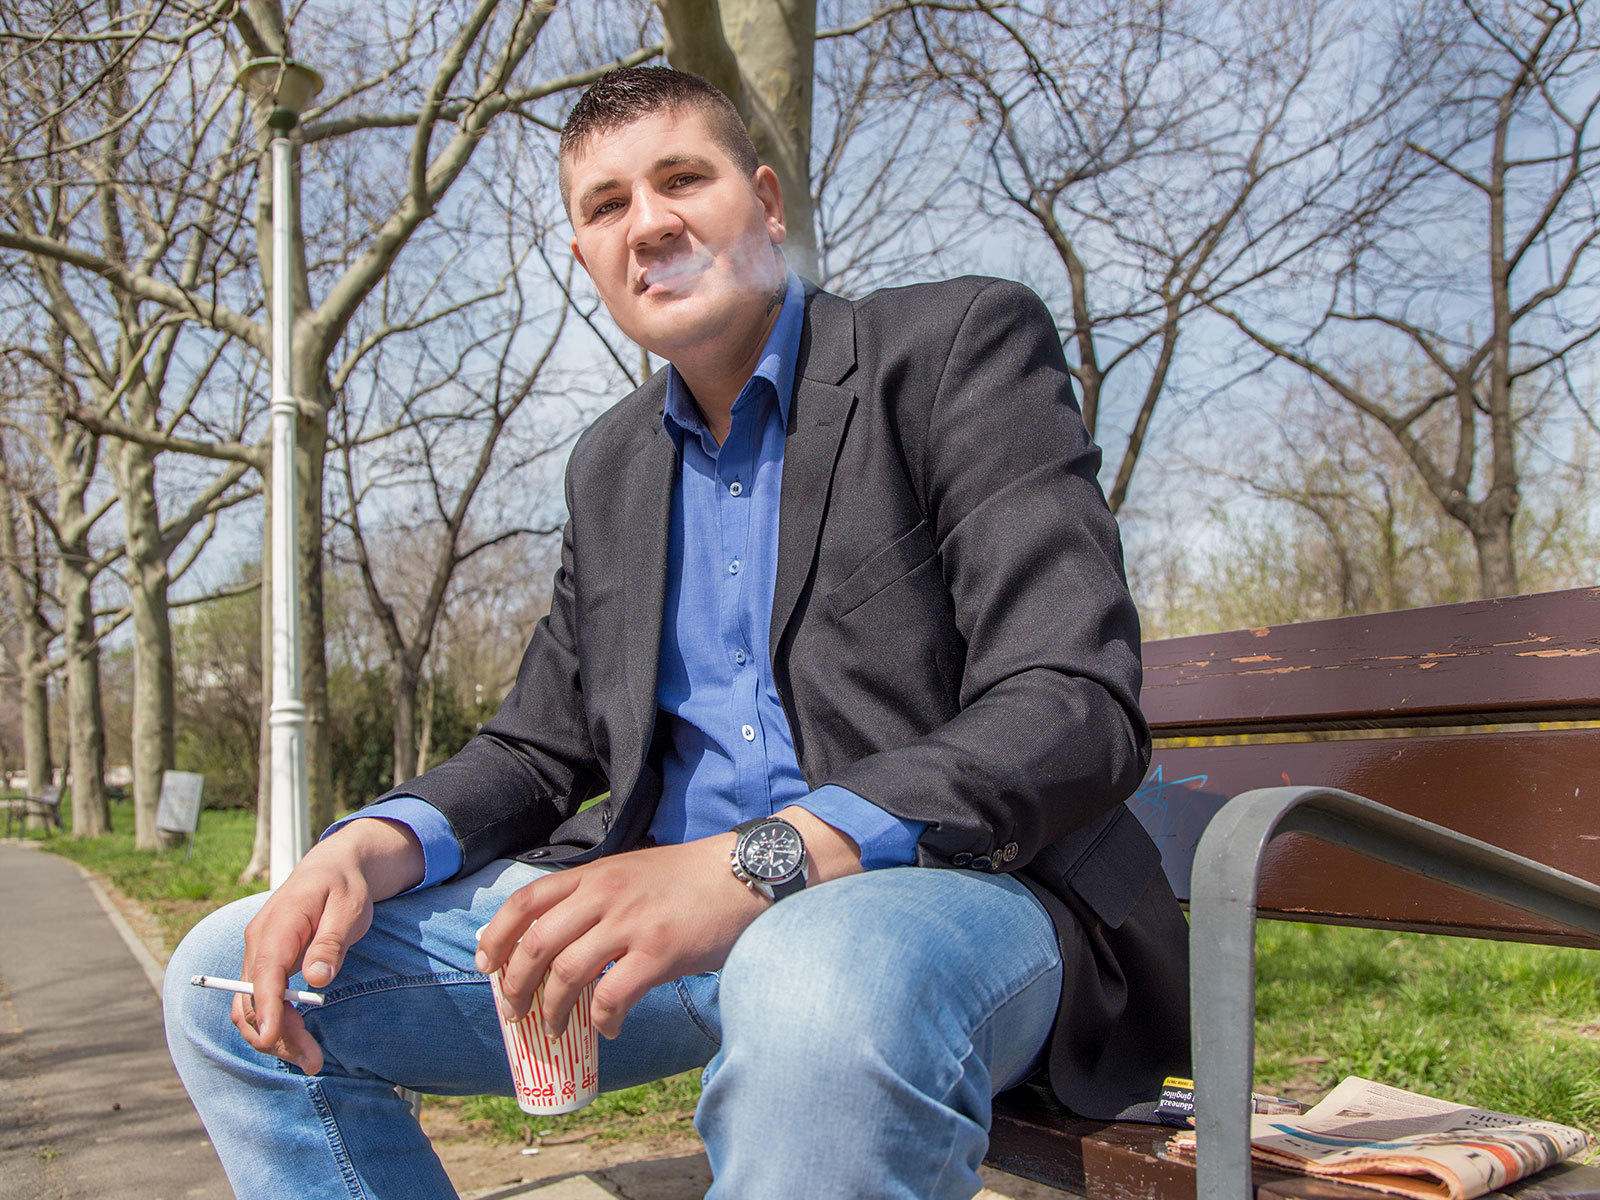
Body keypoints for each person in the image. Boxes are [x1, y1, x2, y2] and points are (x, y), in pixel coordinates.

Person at [164, 66, 1189, 1200]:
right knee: (228, 979)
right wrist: (370, 842)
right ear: (585, 257)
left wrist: (758, 862)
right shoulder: (609, 465)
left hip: (949, 898)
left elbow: (1071, 702)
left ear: (767, 202)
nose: (648, 223)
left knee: (812, 971)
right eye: (607, 205)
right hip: (656, 929)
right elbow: (539, 744)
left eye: (682, 179)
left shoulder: (953, 348)